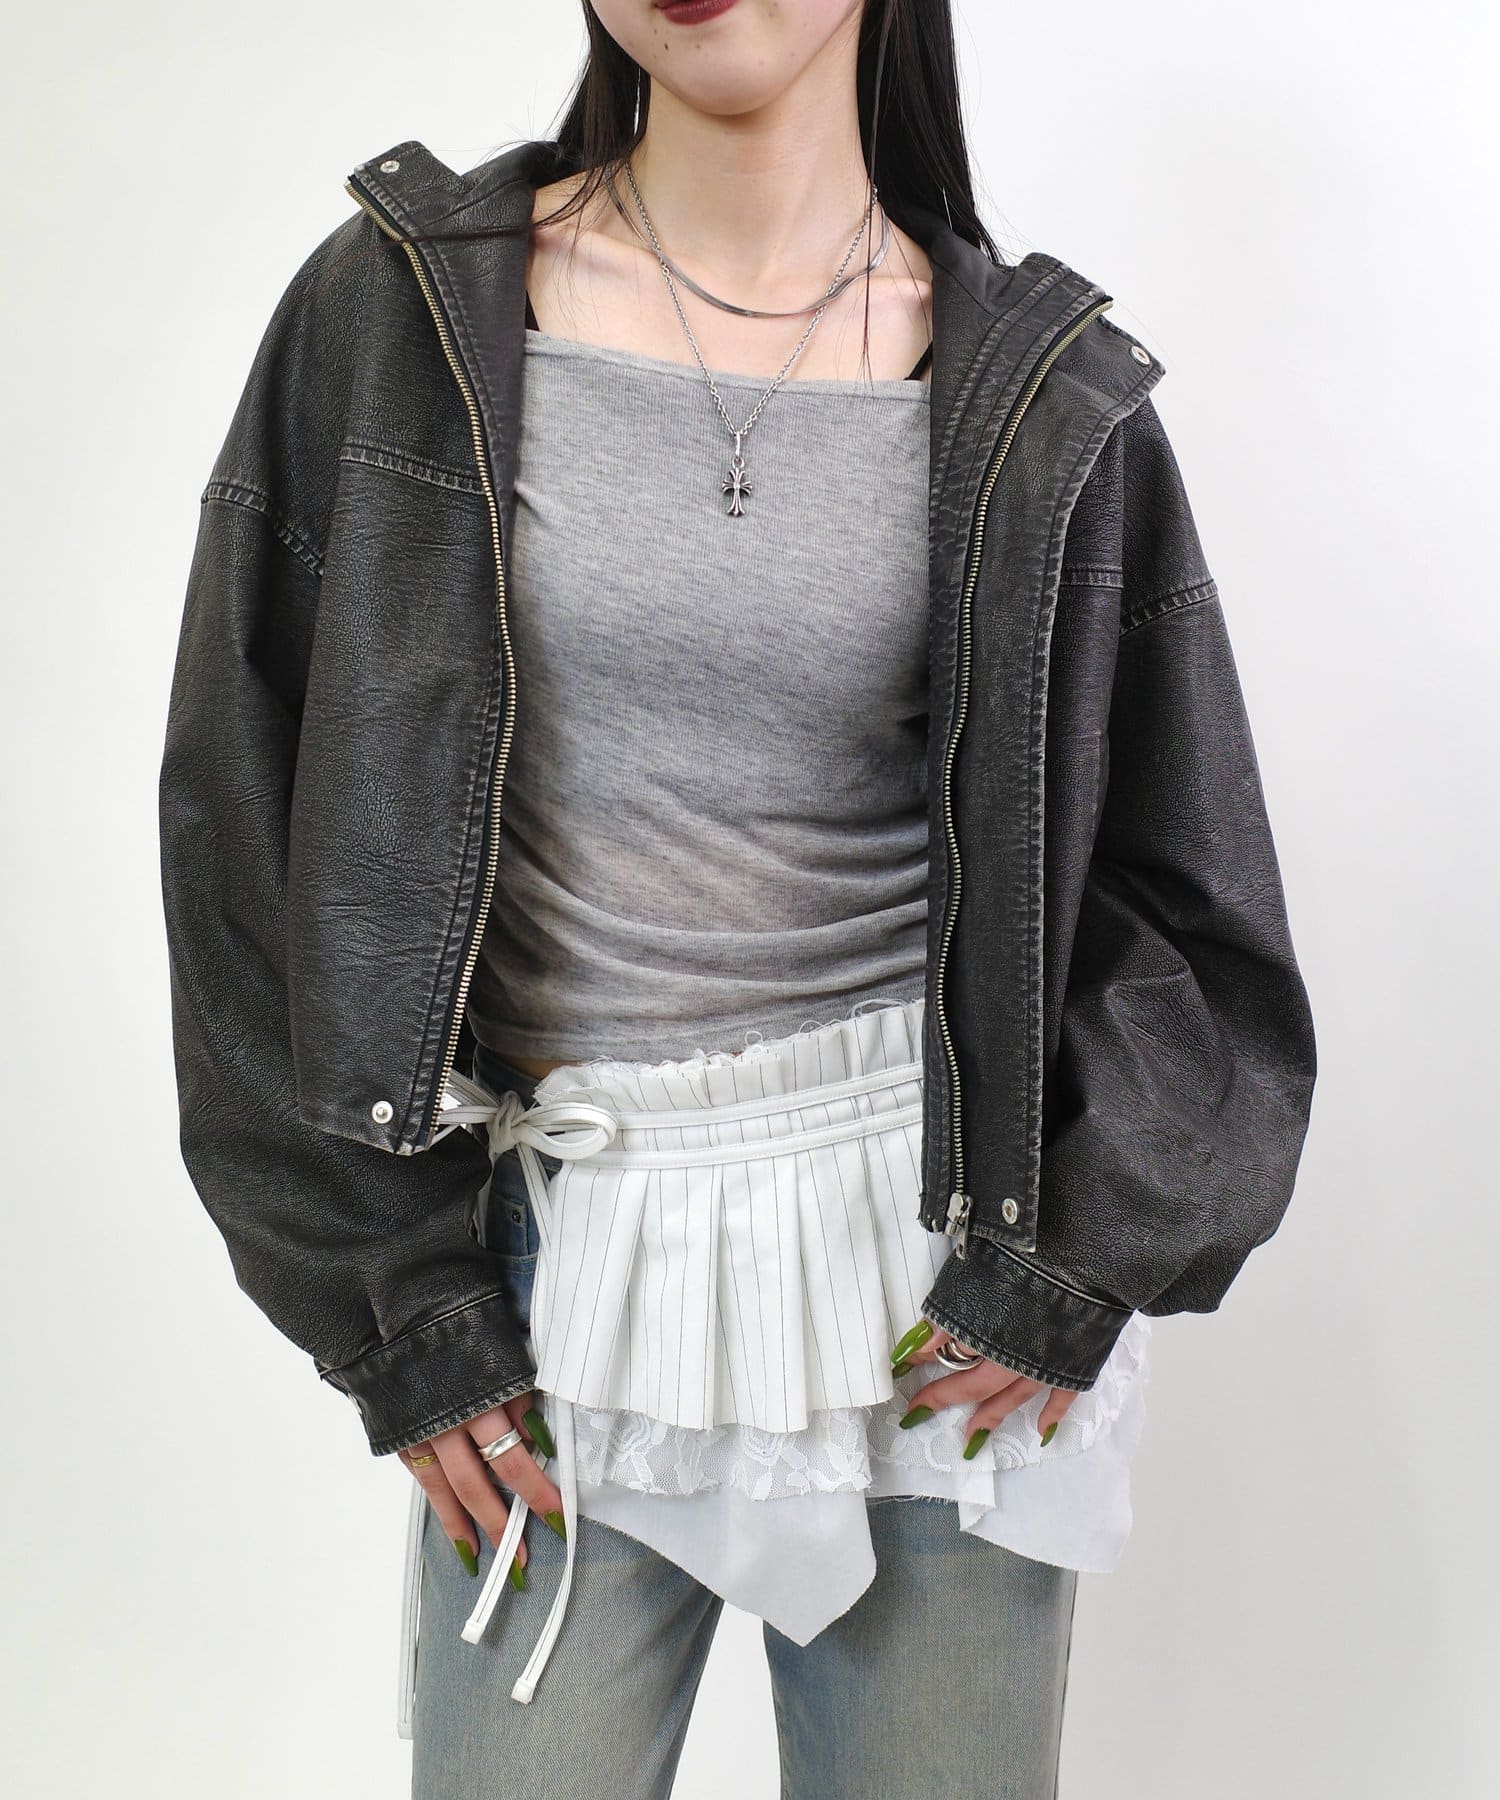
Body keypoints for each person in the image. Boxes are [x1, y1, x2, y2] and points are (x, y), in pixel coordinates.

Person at [158, 2, 1318, 1794]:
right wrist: (398, 1302)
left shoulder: (1042, 391)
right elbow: (240, 821)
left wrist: (1076, 1255)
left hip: (936, 1280)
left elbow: (1185, 885)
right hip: (556, 1275)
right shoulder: (396, 318)